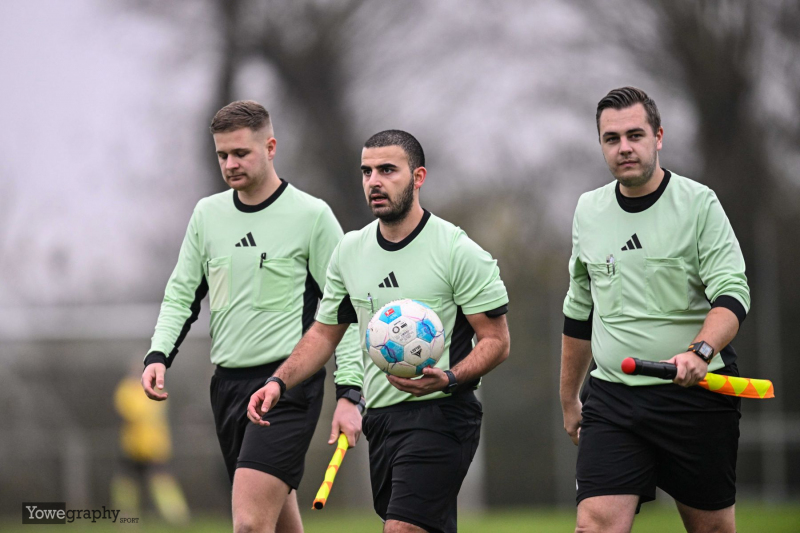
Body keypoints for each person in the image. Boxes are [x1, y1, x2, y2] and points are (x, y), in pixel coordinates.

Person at [247, 130, 510, 533]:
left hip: (443, 414)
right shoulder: (350, 251)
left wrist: (450, 377)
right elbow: (323, 334)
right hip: (381, 421)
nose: (374, 181)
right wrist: (278, 382)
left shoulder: (456, 250)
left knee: (401, 528)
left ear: (418, 177)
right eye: (367, 171)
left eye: (387, 170)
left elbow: (497, 341)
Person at [141, 100, 362, 533]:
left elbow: (347, 310)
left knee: (248, 524)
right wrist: (158, 354)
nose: (230, 164)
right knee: (275, 525)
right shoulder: (207, 215)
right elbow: (181, 294)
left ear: (270, 147)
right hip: (227, 388)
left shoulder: (312, 216)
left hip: (287, 388)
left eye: (241, 153)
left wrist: (349, 392)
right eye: (222, 155)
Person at [560, 87, 750, 533]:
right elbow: (579, 310)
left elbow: (732, 294)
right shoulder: (588, 209)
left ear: (658, 137)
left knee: (712, 529)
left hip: (696, 398)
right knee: (594, 526)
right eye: (611, 139)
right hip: (612, 398)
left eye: (635, 135)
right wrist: (569, 399)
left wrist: (700, 352)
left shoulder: (698, 203)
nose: (624, 147)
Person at [112, 363, 189, 525]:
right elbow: (130, 412)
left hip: (154, 445)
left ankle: (176, 516)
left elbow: (154, 410)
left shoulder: (157, 387)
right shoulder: (126, 389)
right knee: (127, 483)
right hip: (132, 445)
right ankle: (126, 517)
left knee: (162, 481)